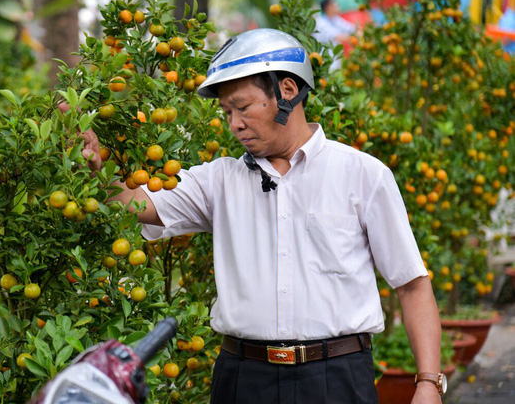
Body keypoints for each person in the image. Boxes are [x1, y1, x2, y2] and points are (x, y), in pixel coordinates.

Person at [78, 29, 445, 404]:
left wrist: (428, 383)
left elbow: (412, 285)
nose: (234, 123)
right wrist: (94, 168)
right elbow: (135, 202)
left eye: (243, 107)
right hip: (243, 379)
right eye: (227, 113)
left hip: (337, 379)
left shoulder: (362, 175)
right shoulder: (219, 181)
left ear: (287, 90)